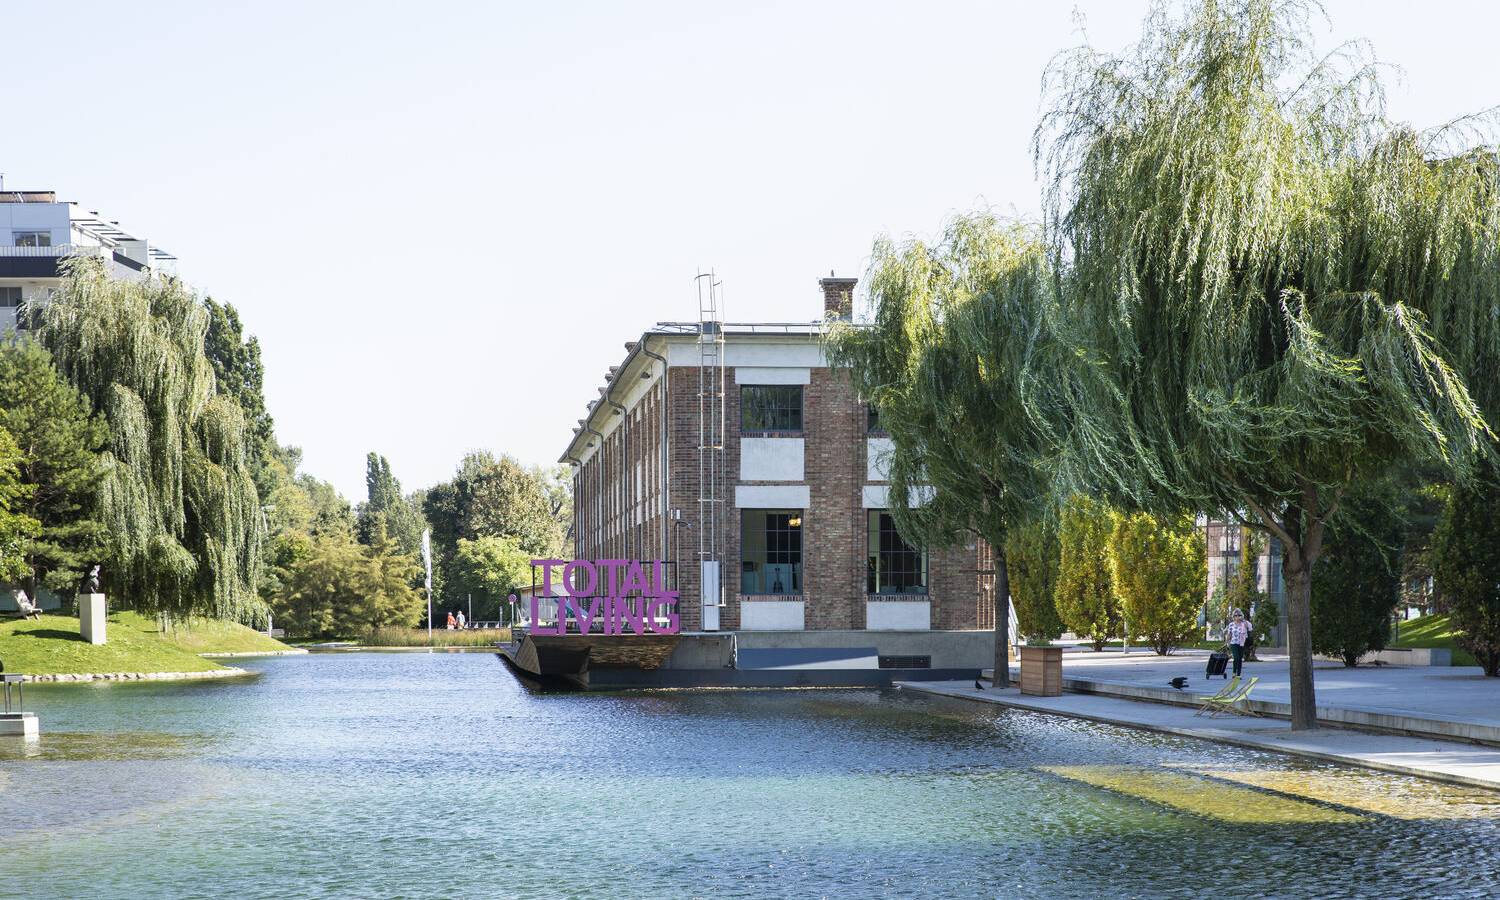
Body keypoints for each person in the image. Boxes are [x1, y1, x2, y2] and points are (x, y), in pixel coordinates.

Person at [1225, 608, 1250, 677]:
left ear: (1241, 616)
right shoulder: (1231, 625)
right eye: (1235, 615)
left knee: (1240, 659)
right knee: (1236, 658)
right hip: (1233, 643)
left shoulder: (1244, 624)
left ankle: (1238, 674)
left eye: (1239, 615)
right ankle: (1234, 673)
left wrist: (1244, 622)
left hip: (1241, 643)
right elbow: (1229, 634)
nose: (1237, 617)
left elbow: (1249, 629)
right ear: (1233, 616)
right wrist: (1227, 642)